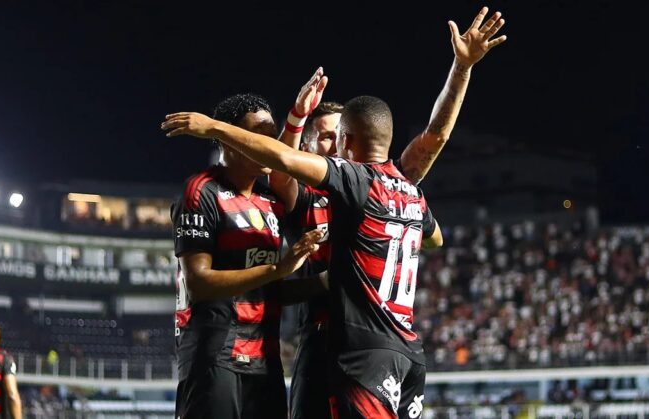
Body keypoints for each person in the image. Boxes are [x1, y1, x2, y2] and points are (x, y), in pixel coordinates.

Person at [162, 8, 507, 417]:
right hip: (333, 342)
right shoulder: (321, 193)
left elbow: (431, 141)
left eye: (336, 136)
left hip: (359, 346)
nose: (330, 146)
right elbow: (284, 164)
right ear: (308, 147)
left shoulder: (356, 182)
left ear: (349, 140)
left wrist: (217, 127)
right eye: (323, 137)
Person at [171, 92, 324, 419]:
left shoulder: (273, 201)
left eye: (272, 135)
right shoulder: (201, 190)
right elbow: (199, 283)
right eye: (258, 134)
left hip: (265, 361)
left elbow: (273, 290)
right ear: (229, 140)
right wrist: (278, 268)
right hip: (213, 356)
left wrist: (327, 282)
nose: (267, 143)